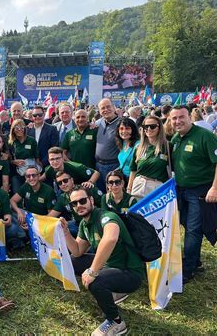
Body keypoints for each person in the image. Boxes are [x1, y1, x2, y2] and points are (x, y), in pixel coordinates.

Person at [61, 187, 145, 336]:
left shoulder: (106, 216)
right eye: (74, 203)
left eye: (82, 200)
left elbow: (111, 238)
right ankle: (113, 291)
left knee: (96, 281)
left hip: (131, 273)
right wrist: (66, 232)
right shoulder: (84, 223)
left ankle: (116, 322)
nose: (79, 205)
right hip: (110, 267)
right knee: (73, 261)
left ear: (91, 200)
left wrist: (93, 271)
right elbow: (78, 250)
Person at [169, 106, 217, 283]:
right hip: (181, 190)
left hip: (200, 191)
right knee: (187, 226)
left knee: (193, 230)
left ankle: (187, 270)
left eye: (181, 117)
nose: (178, 121)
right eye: (174, 119)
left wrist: (215, 188)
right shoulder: (176, 138)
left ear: (190, 117)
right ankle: (195, 260)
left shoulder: (205, 136)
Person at [127, 115, 171, 199]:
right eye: (146, 126)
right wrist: (129, 189)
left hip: (158, 188)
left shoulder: (167, 146)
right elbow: (133, 170)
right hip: (139, 186)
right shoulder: (138, 147)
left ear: (159, 128)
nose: (149, 129)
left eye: (153, 126)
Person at [95, 98, 120, 192]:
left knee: (113, 194)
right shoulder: (100, 123)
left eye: (108, 107)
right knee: (101, 193)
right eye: (102, 108)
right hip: (98, 166)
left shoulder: (121, 124)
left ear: (114, 107)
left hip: (113, 166)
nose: (106, 110)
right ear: (100, 112)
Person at [8, 119, 39, 194]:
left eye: (22, 127)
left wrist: (38, 172)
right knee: (17, 193)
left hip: (31, 173)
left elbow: (37, 157)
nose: (20, 130)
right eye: (17, 128)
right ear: (13, 130)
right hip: (17, 173)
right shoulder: (10, 142)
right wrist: (13, 161)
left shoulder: (31, 141)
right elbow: (7, 158)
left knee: (30, 194)